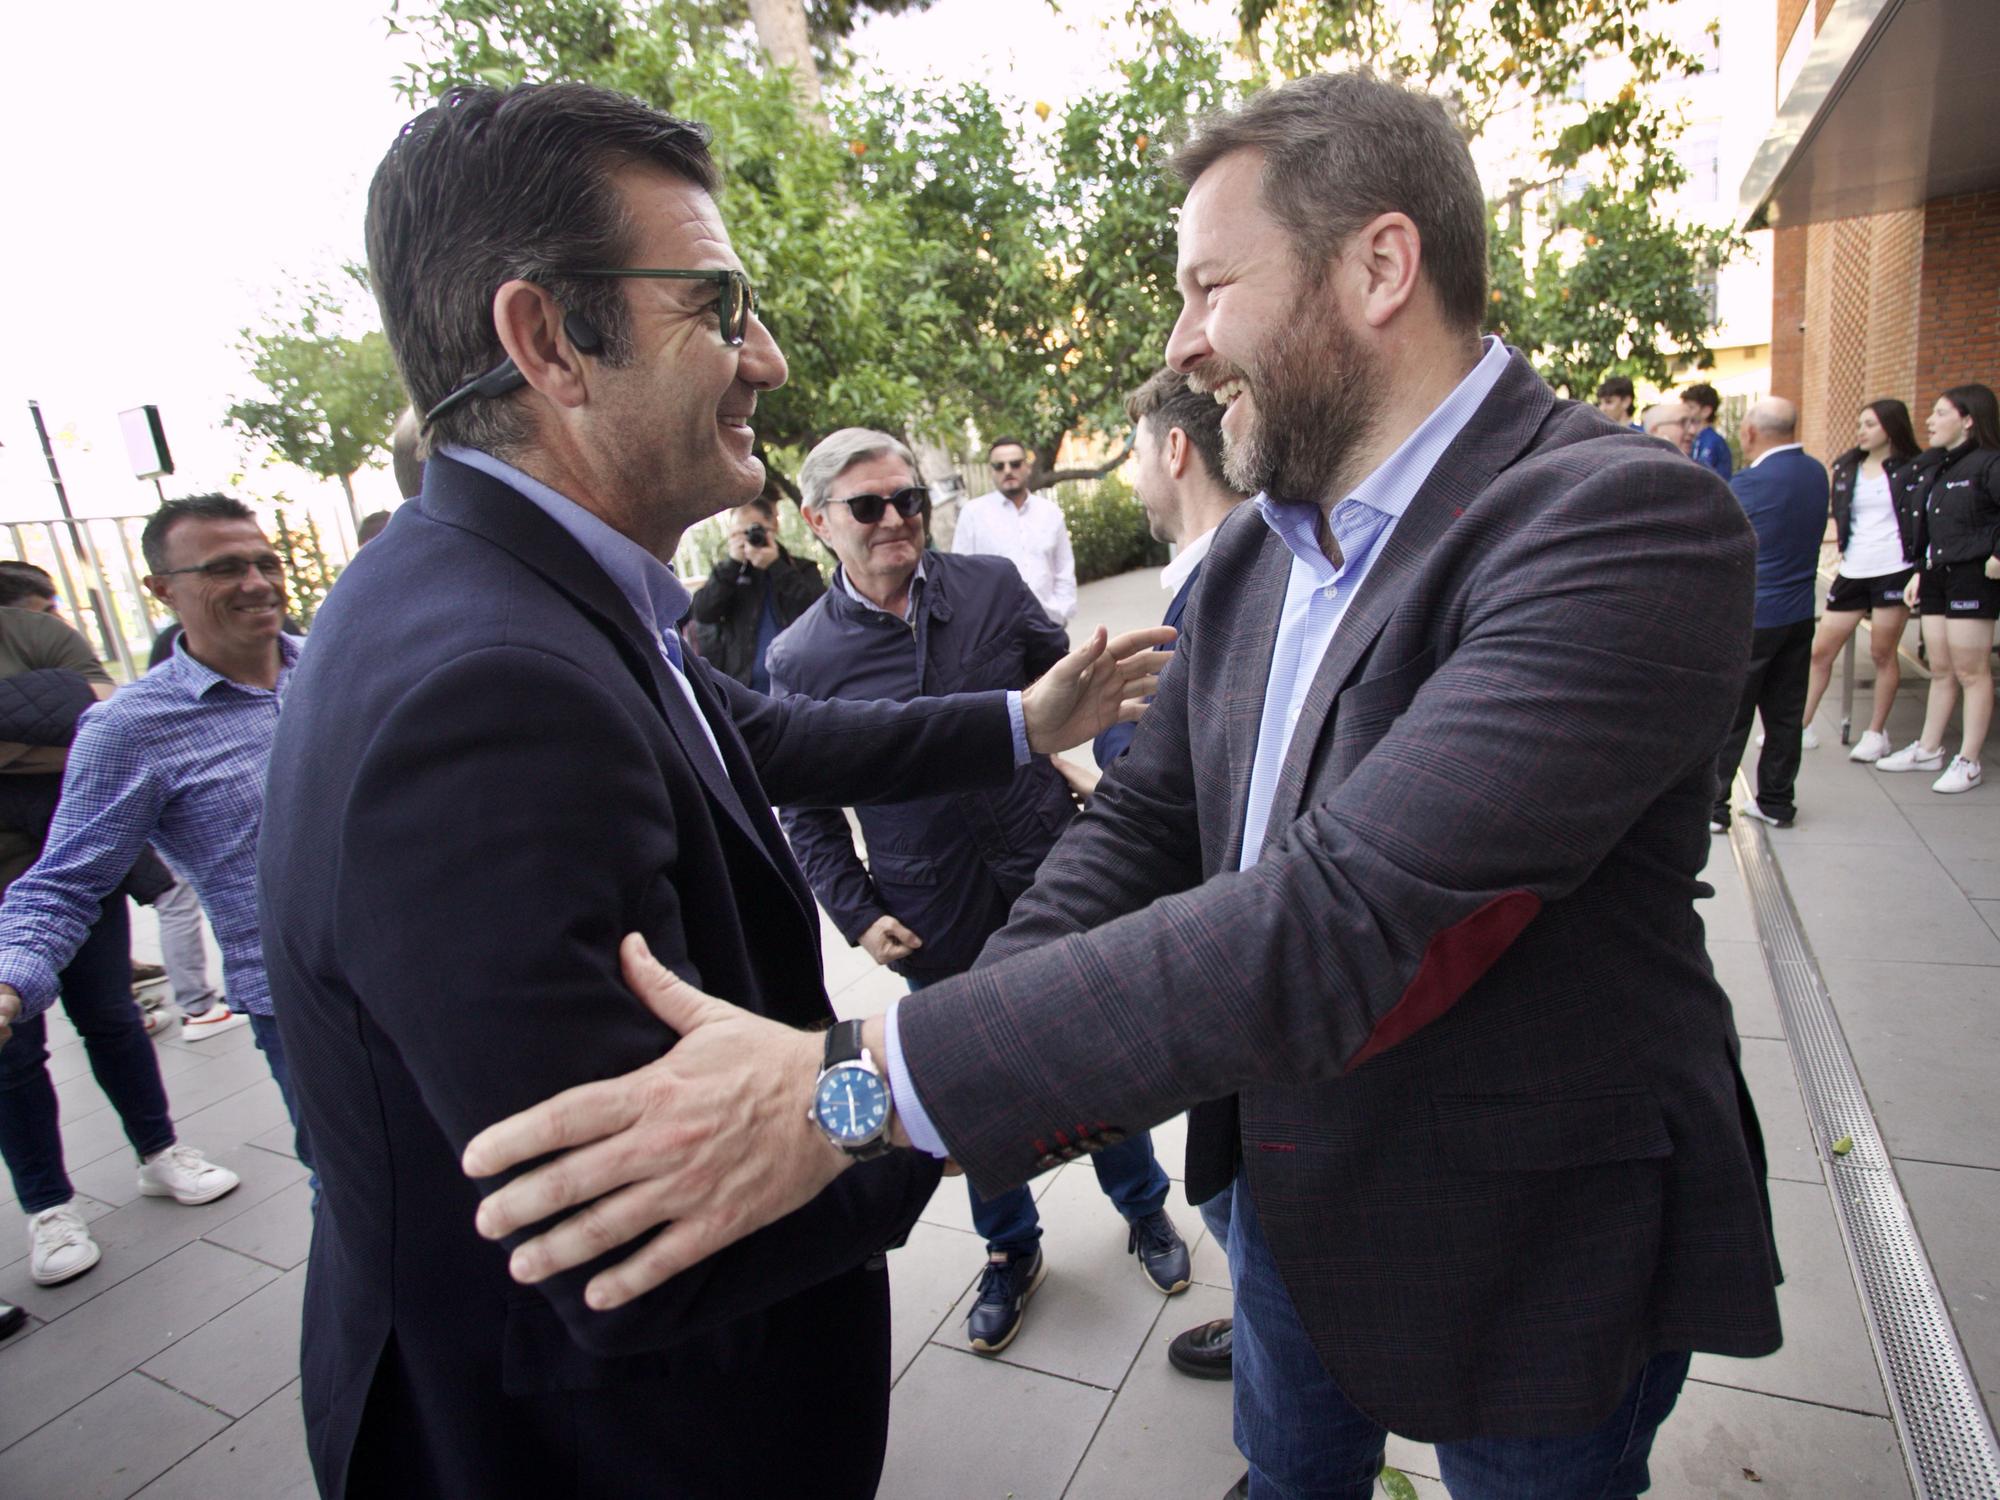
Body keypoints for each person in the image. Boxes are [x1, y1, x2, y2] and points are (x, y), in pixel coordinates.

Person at [466, 71, 1784, 1500]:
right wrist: (938, 1075)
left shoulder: (1623, 521)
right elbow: (1148, 825)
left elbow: (1341, 919)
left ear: (1380, 267)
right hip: (1286, 1180)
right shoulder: (1271, 546)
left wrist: (845, 1092)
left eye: (1211, 285)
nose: (1183, 344)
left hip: (1535, 1226)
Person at [255, 81, 1164, 1500]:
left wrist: (1020, 718)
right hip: (623, 1446)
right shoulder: (484, 695)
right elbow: (671, 1213)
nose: (773, 358)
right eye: (720, 305)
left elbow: (773, 738)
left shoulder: (529, 587)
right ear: (548, 340)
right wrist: (917, 1081)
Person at [768, 427, 1190, 1356]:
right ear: (815, 522)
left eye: (909, 499)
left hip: (1050, 871)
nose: (896, 520)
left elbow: (1075, 688)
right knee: (959, 1090)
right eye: (869, 506)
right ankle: (1009, 1252)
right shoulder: (800, 660)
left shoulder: (990, 587)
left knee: (1094, 1053)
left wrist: (1094, 766)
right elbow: (806, 813)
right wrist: (859, 912)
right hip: (933, 911)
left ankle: (1145, 1207)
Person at [1083, 368, 1250, 1381]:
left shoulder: (1226, 588)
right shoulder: (1209, 577)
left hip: (1227, 951)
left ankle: (1278, 1348)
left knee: (1238, 1192)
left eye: (1134, 450)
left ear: (1174, 451)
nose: (1132, 474)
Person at [0, 601, 241, 1288]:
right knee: (14, 1052)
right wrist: (36, 719)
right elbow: (66, 715)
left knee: (113, 1019)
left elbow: (94, 710)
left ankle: (160, 1150)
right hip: (25, 876)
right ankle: (48, 1205)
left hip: (70, 849)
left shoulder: (28, 624)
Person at [1709, 398, 1829, 831]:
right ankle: (1777, 802)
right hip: (1799, 613)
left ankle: (1715, 807)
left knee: (1732, 714)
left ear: (1751, 433)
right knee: (1785, 713)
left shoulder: (1750, 484)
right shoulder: (1816, 473)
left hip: (1757, 616)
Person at [1875, 383, 2000, 793]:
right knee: (1942, 667)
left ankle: (1969, 760)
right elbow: (1926, 524)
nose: (1929, 421)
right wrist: (1917, 570)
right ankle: (1929, 748)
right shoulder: (1940, 465)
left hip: (1972, 574)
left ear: (1968, 419)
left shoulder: (1989, 463)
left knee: (1971, 669)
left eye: (1941, 413)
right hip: (1935, 573)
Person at [1802, 400, 1922, 764]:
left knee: (1882, 653)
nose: (1861, 430)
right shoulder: (1847, 467)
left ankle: (1876, 733)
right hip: (1853, 569)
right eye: (1860, 424)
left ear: (1890, 426)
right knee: (1821, 651)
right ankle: (1801, 725)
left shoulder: (1911, 469)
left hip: (1893, 568)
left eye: (1869, 424)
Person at [687, 495, 824, 688]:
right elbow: (703, 612)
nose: (748, 539)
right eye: (738, 534)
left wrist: (776, 566)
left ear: (773, 527)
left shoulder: (801, 569)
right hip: (747, 690)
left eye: (753, 530)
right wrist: (732, 565)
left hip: (803, 685)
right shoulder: (728, 575)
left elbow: (819, 611)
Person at [953, 437, 1078, 625]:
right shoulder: (973, 514)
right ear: (991, 471)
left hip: (1048, 623)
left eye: (1015, 464)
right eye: (999, 466)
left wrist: (1061, 612)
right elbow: (960, 576)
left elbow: (1064, 568)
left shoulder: (1050, 513)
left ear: (1027, 466)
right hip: (996, 629)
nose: (1008, 470)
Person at [1682, 382, 1733, 479]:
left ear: (1706, 411)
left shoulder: (1713, 442)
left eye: (1691, 407)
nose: (1685, 412)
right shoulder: (1693, 439)